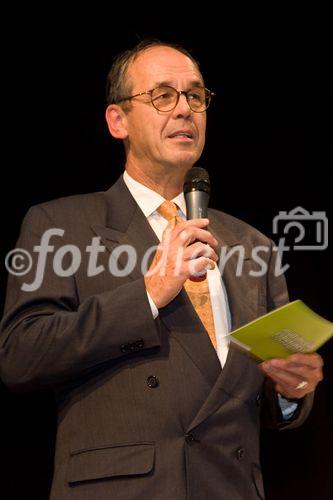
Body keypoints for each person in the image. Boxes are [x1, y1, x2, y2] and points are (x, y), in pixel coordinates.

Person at [0, 40, 323, 500]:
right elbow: (20, 354)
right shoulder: (61, 225)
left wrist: (291, 392)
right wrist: (148, 292)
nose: (185, 110)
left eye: (196, 96)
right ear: (118, 121)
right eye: (163, 96)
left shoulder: (255, 246)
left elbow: (262, 393)